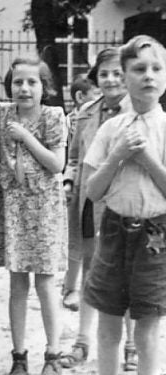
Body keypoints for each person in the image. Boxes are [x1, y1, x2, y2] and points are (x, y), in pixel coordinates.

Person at [83, 34, 166, 375]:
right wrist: (117, 155)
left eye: (156, 68)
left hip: (156, 235)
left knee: (147, 325)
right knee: (109, 321)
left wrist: (146, 158)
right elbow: (92, 191)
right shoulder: (111, 128)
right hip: (115, 230)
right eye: (138, 69)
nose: (148, 75)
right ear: (123, 75)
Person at [0, 57, 67, 375]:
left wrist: (26, 137)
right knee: (17, 283)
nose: (24, 88)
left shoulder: (53, 116)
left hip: (44, 208)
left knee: (46, 283)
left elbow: (56, 164)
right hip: (15, 207)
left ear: (44, 87)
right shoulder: (0, 113)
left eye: (32, 82)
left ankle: (53, 354)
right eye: (18, 82)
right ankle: (19, 355)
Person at [60, 47, 136, 371]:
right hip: (91, 201)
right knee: (93, 271)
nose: (111, 79)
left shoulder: (140, 112)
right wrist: (67, 181)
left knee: (129, 272)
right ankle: (82, 342)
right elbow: (74, 157)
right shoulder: (86, 113)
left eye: (118, 73)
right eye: (104, 74)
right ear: (95, 78)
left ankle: (131, 346)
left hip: (128, 201)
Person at [61, 75, 100, 312]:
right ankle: (71, 288)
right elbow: (73, 155)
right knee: (79, 241)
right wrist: (68, 181)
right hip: (84, 184)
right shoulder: (79, 117)